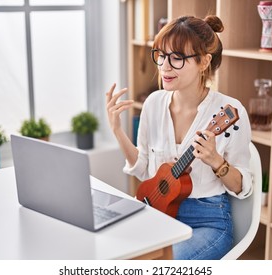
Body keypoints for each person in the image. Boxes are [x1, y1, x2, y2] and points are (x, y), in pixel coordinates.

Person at [106, 15, 252, 260]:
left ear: (204, 62)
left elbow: (242, 187)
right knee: (111, 250)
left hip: (207, 222)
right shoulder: (153, 103)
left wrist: (216, 161)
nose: (164, 66)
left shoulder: (229, 111)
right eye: (161, 55)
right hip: (158, 213)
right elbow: (144, 171)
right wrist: (117, 130)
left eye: (177, 58)